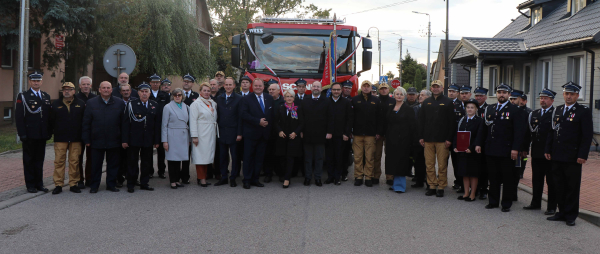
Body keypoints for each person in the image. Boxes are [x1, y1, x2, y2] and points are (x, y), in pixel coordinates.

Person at [545, 82, 593, 226]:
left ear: (577, 96)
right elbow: (551, 131)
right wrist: (547, 149)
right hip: (557, 155)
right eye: (567, 94)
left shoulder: (583, 111)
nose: (569, 96)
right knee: (558, 185)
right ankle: (561, 212)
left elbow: (587, 135)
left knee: (572, 186)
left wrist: (583, 154)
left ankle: (571, 215)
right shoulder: (558, 110)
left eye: (572, 94)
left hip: (573, 156)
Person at [479, 83, 526, 212]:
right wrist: (479, 144)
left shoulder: (516, 110)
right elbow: (484, 129)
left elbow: (519, 132)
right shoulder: (490, 109)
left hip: (507, 150)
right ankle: (493, 201)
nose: (501, 94)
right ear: (496, 94)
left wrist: (516, 148)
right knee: (493, 177)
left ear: (509, 95)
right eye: (499, 92)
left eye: (504, 92)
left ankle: (506, 203)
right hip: (491, 149)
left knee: (507, 178)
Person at [82, 81, 125, 193]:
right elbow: (86, 122)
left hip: (114, 139)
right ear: (99, 89)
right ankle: (94, 185)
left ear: (112, 90)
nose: (106, 90)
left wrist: (123, 139)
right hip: (96, 140)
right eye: (104, 88)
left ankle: (111, 184)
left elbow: (124, 123)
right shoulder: (91, 103)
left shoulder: (119, 103)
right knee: (96, 165)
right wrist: (86, 139)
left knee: (113, 164)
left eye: (108, 88)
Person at [15, 71, 52, 193]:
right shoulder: (23, 96)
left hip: (42, 135)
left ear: (41, 81)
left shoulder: (46, 96)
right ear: (30, 82)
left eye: (38, 80)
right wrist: (22, 134)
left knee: (40, 160)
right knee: (29, 160)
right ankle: (30, 185)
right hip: (29, 135)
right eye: (34, 81)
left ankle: (39, 184)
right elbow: (19, 117)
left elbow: (48, 117)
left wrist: (49, 132)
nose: (36, 83)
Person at [418, 80, 455, 197]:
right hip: (428, 139)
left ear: (441, 88)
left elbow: (452, 123)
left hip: (442, 140)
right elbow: (421, 121)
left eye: (437, 87)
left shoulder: (448, 102)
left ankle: (441, 186)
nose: (435, 89)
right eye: (433, 87)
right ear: (431, 88)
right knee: (429, 164)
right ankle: (432, 185)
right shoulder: (426, 102)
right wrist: (421, 136)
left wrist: (449, 138)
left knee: (442, 165)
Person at [122, 82, 161, 193]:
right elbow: (125, 123)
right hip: (134, 138)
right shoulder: (131, 104)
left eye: (146, 92)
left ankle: (144, 183)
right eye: (142, 91)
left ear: (149, 93)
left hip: (148, 139)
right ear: (138, 93)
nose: (144, 94)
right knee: (132, 162)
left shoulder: (154, 105)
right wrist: (124, 140)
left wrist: (157, 140)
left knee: (146, 162)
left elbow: (157, 124)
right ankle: (131, 183)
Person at [523, 88, 557, 215]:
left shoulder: (556, 113)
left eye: (545, 98)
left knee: (551, 181)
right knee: (536, 179)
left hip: (550, 154)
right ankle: (535, 203)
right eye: (541, 98)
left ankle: (551, 206)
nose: (542, 100)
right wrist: (525, 149)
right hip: (536, 152)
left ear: (552, 100)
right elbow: (528, 134)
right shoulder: (534, 113)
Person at [48, 82, 86, 194]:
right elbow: (51, 121)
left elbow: (84, 121)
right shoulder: (55, 104)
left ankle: (73, 183)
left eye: (69, 89)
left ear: (74, 91)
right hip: (61, 138)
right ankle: (58, 184)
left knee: (74, 161)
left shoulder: (81, 104)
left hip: (76, 138)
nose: (67, 91)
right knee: (59, 161)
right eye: (64, 89)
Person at [240, 78, 274, 189]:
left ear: (263, 87)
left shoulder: (269, 98)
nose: (258, 88)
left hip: (264, 135)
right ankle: (247, 180)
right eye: (256, 86)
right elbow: (244, 114)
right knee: (248, 158)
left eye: (260, 86)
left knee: (259, 158)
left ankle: (255, 179)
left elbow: (272, 114)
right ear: (252, 87)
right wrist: (257, 121)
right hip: (251, 134)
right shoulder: (247, 99)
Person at [301, 81, 333, 186]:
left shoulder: (326, 101)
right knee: (308, 158)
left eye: (318, 87)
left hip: (321, 134)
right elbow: (301, 117)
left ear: (321, 89)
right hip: (307, 134)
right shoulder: (305, 100)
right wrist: (301, 131)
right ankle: (308, 177)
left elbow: (330, 118)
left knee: (319, 158)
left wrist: (329, 131)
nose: (316, 88)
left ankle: (318, 178)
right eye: (314, 86)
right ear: (311, 88)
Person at [385, 87, 418, 193]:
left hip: (403, 140)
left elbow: (413, 126)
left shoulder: (408, 109)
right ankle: (395, 183)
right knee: (392, 161)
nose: (399, 96)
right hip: (391, 140)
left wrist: (412, 140)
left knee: (401, 162)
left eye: (401, 94)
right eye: (397, 94)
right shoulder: (390, 108)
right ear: (394, 95)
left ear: (404, 96)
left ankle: (400, 186)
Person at [351, 80, 381, 187]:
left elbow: (379, 118)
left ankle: (368, 177)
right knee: (358, 157)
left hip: (371, 134)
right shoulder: (354, 100)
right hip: (358, 133)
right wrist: (350, 130)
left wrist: (378, 132)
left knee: (369, 157)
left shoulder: (376, 101)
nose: (366, 88)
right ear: (361, 87)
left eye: (368, 86)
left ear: (371, 88)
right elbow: (351, 117)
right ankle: (358, 177)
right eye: (364, 86)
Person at [453, 99, 484, 201]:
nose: (470, 109)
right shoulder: (462, 120)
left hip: (473, 152)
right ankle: (466, 193)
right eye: (468, 107)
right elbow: (457, 135)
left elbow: (479, 136)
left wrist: (471, 148)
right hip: (462, 151)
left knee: (473, 174)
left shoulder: (479, 121)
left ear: (476, 109)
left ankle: (473, 194)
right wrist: (455, 146)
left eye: (472, 107)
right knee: (464, 173)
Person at [215, 78, 243, 187]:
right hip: (222, 132)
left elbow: (240, 117)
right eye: (226, 84)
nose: (228, 86)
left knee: (235, 157)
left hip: (234, 132)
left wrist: (239, 133)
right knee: (222, 156)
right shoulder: (219, 98)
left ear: (234, 85)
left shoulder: (239, 99)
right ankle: (224, 177)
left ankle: (233, 177)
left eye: (230, 84)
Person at [190, 83, 218, 187]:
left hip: (210, 133)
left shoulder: (213, 103)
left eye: (208, 91)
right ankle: (201, 179)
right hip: (201, 133)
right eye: (204, 90)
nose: (206, 93)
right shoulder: (196, 104)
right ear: (200, 91)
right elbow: (192, 121)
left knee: (207, 156)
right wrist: (194, 136)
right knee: (200, 156)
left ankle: (204, 177)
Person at [162, 88, 191, 189]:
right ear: (172, 96)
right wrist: (164, 141)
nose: (177, 97)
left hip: (183, 135)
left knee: (179, 159)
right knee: (172, 159)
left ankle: (177, 179)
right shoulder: (167, 107)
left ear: (182, 96)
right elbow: (164, 125)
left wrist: (190, 139)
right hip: (172, 135)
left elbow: (189, 123)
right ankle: (172, 181)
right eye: (175, 95)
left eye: (179, 95)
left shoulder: (186, 107)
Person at [275, 89, 304, 188]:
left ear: (293, 98)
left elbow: (301, 123)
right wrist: (279, 131)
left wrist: (296, 133)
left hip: (293, 137)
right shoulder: (280, 107)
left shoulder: (298, 108)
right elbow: (275, 122)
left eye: (291, 96)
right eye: (287, 96)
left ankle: (287, 179)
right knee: (282, 157)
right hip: (282, 136)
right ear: (284, 98)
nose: (289, 98)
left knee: (290, 158)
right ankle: (283, 175)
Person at [325, 83, 353, 185]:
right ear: (331, 90)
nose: (336, 91)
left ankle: (337, 178)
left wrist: (346, 133)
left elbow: (349, 119)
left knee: (339, 157)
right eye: (334, 90)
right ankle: (330, 177)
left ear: (341, 90)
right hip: (329, 135)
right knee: (329, 157)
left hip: (341, 136)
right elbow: (325, 119)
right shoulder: (326, 102)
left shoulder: (346, 102)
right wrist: (327, 132)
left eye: (338, 90)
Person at [75, 76, 96, 189]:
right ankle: (79, 180)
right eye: (84, 84)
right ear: (79, 86)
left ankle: (89, 178)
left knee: (91, 157)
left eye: (88, 84)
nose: (86, 86)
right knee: (78, 158)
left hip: (92, 133)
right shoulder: (75, 98)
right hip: (78, 133)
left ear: (91, 85)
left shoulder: (95, 98)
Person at [149, 73, 170, 179]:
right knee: (148, 150)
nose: (155, 84)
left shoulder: (165, 96)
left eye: (157, 82)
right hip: (150, 125)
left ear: (160, 83)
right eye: (153, 82)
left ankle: (161, 170)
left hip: (161, 124)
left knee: (161, 151)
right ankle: (150, 171)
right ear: (150, 83)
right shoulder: (147, 94)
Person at [264, 81, 285, 182]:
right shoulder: (265, 100)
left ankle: (281, 174)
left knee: (280, 154)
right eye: (270, 90)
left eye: (273, 90)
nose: (271, 91)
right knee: (268, 154)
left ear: (279, 91)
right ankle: (268, 174)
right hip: (268, 131)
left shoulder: (284, 101)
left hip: (280, 132)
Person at [116, 84, 136, 187]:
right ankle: (120, 179)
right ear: (120, 92)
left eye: (127, 90)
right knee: (120, 159)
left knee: (132, 159)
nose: (126, 92)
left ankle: (132, 178)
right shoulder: (117, 102)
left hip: (133, 135)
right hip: (119, 135)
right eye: (123, 91)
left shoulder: (136, 101)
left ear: (131, 91)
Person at [374, 83, 393, 185]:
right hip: (378, 133)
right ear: (379, 90)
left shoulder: (393, 101)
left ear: (388, 89)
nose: (384, 90)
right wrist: (377, 131)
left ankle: (389, 177)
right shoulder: (376, 101)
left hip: (389, 132)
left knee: (389, 155)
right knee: (377, 155)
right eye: (381, 89)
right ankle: (376, 176)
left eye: (385, 88)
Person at [410, 89, 429, 188]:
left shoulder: (430, 108)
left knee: (428, 162)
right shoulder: (414, 108)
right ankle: (419, 180)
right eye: (420, 95)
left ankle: (429, 182)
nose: (420, 96)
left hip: (428, 139)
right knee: (417, 161)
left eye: (423, 95)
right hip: (416, 139)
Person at [450, 84, 466, 193]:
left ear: (457, 93)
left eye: (453, 91)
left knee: (457, 161)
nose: (451, 93)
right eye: (449, 91)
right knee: (445, 162)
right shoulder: (444, 102)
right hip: (446, 136)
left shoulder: (461, 105)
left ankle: (459, 182)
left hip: (457, 137)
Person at [474, 86, 489, 200]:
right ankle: (474, 188)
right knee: (473, 166)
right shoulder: (471, 107)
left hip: (483, 143)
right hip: (472, 142)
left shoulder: (488, 109)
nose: (478, 98)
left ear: (485, 97)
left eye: (481, 96)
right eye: (477, 96)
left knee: (484, 168)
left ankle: (483, 189)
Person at [208, 78, 222, 181]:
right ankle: (209, 172)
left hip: (219, 127)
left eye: (214, 84)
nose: (212, 86)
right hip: (207, 128)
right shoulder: (205, 97)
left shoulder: (221, 97)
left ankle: (218, 172)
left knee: (218, 151)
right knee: (208, 150)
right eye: (211, 84)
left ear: (218, 86)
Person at [340, 80, 354, 181]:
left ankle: (344, 174)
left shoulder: (353, 101)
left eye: (349, 88)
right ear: (342, 89)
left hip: (347, 132)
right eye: (345, 88)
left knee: (345, 154)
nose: (347, 90)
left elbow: (353, 118)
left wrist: (350, 132)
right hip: (336, 131)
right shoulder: (335, 99)